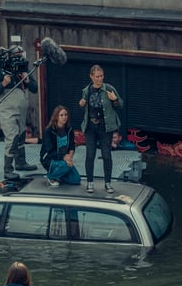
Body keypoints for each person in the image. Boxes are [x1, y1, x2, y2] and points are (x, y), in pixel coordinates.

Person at [0, 45, 38, 178]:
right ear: (10, 57)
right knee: (12, 137)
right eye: (17, 56)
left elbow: (35, 89)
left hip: (21, 109)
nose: (19, 59)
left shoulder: (24, 70)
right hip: (7, 110)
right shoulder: (0, 72)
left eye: (21, 56)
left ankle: (21, 162)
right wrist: (4, 84)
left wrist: (27, 80)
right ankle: (8, 169)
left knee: (22, 134)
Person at [78, 65, 124, 194]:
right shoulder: (87, 90)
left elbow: (120, 104)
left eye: (102, 76)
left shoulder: (109, 88)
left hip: (105, 126)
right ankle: (90, 183)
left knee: (106, 155)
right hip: (91, 126)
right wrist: (81, 105)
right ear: (91, 77)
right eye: (97, 76)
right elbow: (85, 107)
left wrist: (114, 100)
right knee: (90, 154)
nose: (100, 79)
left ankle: (108, 183)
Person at [40, 105, 81, 187]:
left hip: (64, 159)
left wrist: (70, 156)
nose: (64, 117)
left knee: (76, 179)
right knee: (65, 165)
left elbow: (72, 145)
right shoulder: (49, 131)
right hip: (50, 159)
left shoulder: (69, 129)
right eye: (61, 115)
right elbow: (50, 151)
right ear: (56, 117)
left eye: (66, 115)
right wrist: (65, 158)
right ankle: (50, 176)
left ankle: (58, 175)